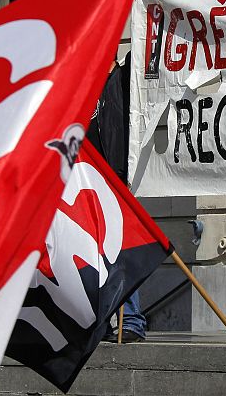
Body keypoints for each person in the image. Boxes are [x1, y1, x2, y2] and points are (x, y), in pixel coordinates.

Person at [88, 53, 147, 344]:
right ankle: (104, 323)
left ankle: (132, 320)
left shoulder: (123, 79)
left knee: (121, 251)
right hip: (90, 186)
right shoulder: (86, 88)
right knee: (98, 257)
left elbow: (144, 49)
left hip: (117, 181)